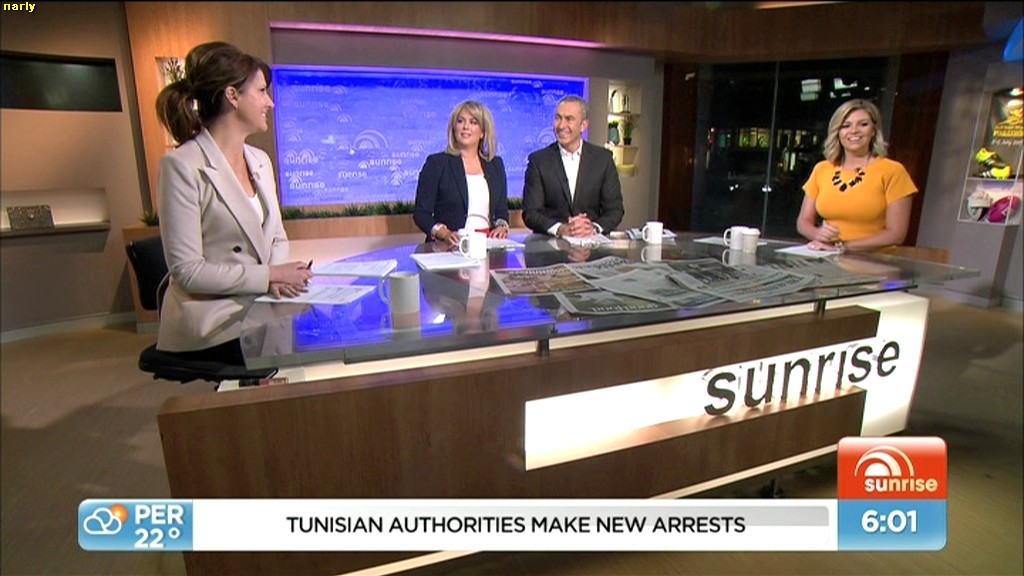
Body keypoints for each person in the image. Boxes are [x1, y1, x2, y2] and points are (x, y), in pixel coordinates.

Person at [154, 41, 312, 362]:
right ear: (232, 96)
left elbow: (277, 237)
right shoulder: (182, 166)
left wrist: (276, 280)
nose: (270, 102)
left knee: (319, 336)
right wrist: (269, 276)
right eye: (262, 91)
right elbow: (187, 271)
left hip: (262, 303)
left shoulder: (260, 160)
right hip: (214, 319)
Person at [797, 98, 918, 253]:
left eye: (863, 124)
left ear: (874, 130)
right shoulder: (822, 169)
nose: (854, 131)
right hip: (827, 256)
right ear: (837, 132)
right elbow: (803, 222)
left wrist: (842, 247)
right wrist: (816, 233)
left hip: (874, 260)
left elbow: (896, 234)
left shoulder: (893, 171)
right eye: (846, 125)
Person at [522, 95, 624, 238]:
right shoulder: (538, 161)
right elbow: (531, 213)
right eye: (558, 118)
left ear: (583, 125)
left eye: (569, 119)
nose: (561, 125)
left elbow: (615, 210)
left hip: (592, 245)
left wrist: (592, 228)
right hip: (550, 247)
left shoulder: (603, 159)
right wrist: (560, 229)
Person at [413, 100, 510, 245]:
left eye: (473, 122)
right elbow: (421, 214)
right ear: (454, 128)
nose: (466, 127)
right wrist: (443, 233)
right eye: (460, 121)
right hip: (449, 244)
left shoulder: (495, 165)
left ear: (483, 132)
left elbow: (501, 210)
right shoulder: (437, 164)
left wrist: (502, 226)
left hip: (487, 243)